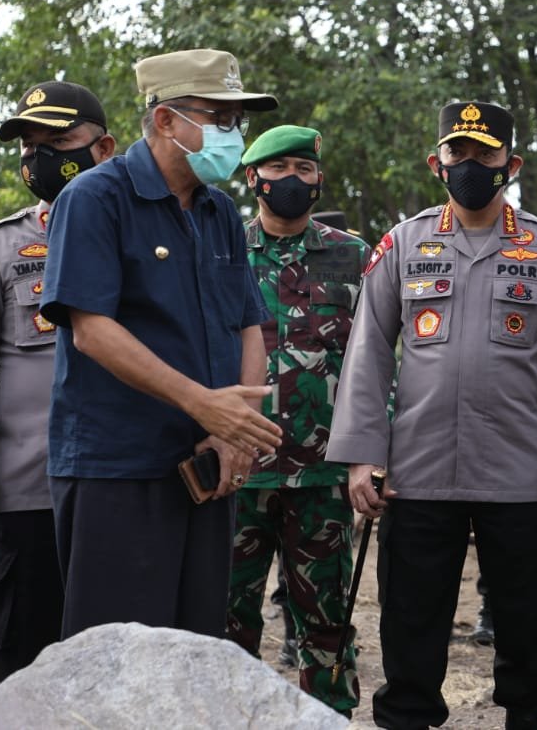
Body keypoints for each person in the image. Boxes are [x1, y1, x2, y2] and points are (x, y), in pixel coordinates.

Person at [326, 101, 537, 730]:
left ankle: (524, 720)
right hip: (416, 469)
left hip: (518, 469)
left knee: (524, 619)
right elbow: (369, 352)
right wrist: (361, 455)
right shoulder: (404, 242)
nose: (470, 165)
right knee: (410, 615)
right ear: (437, 162)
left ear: (511, 164)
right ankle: (407, 719)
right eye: (459, 153)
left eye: (485, 155)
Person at [40, 49, 283, 639]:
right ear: (167, 119)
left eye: (236, 120)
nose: (232, 133)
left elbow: (249, 323)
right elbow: (92, 330)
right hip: (118, 472)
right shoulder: (96, 198)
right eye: (217, 116)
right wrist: (203, 404)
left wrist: (236, 430)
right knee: (117, 659)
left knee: (195, 647)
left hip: (207, 471)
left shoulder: (219, 210)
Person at [0, 81, 116, 695]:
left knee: (121, 667)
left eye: (58, 142)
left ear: (105, 148)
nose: (39, 158)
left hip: (127, 491)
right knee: (18, 671)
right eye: (30, 145)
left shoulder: (149, 239)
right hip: (27, 500)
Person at [223, 125, 368, 715]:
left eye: (304, 170)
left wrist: (371, 452)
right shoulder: (222, 248)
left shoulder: (353, 254)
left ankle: (329, 719)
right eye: (279, 169)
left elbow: (374, 360)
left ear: (319, 180)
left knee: (326, 625)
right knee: (225, 626)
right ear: (253, 178)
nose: (292, 180)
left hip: (323, 477)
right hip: (237, 473)